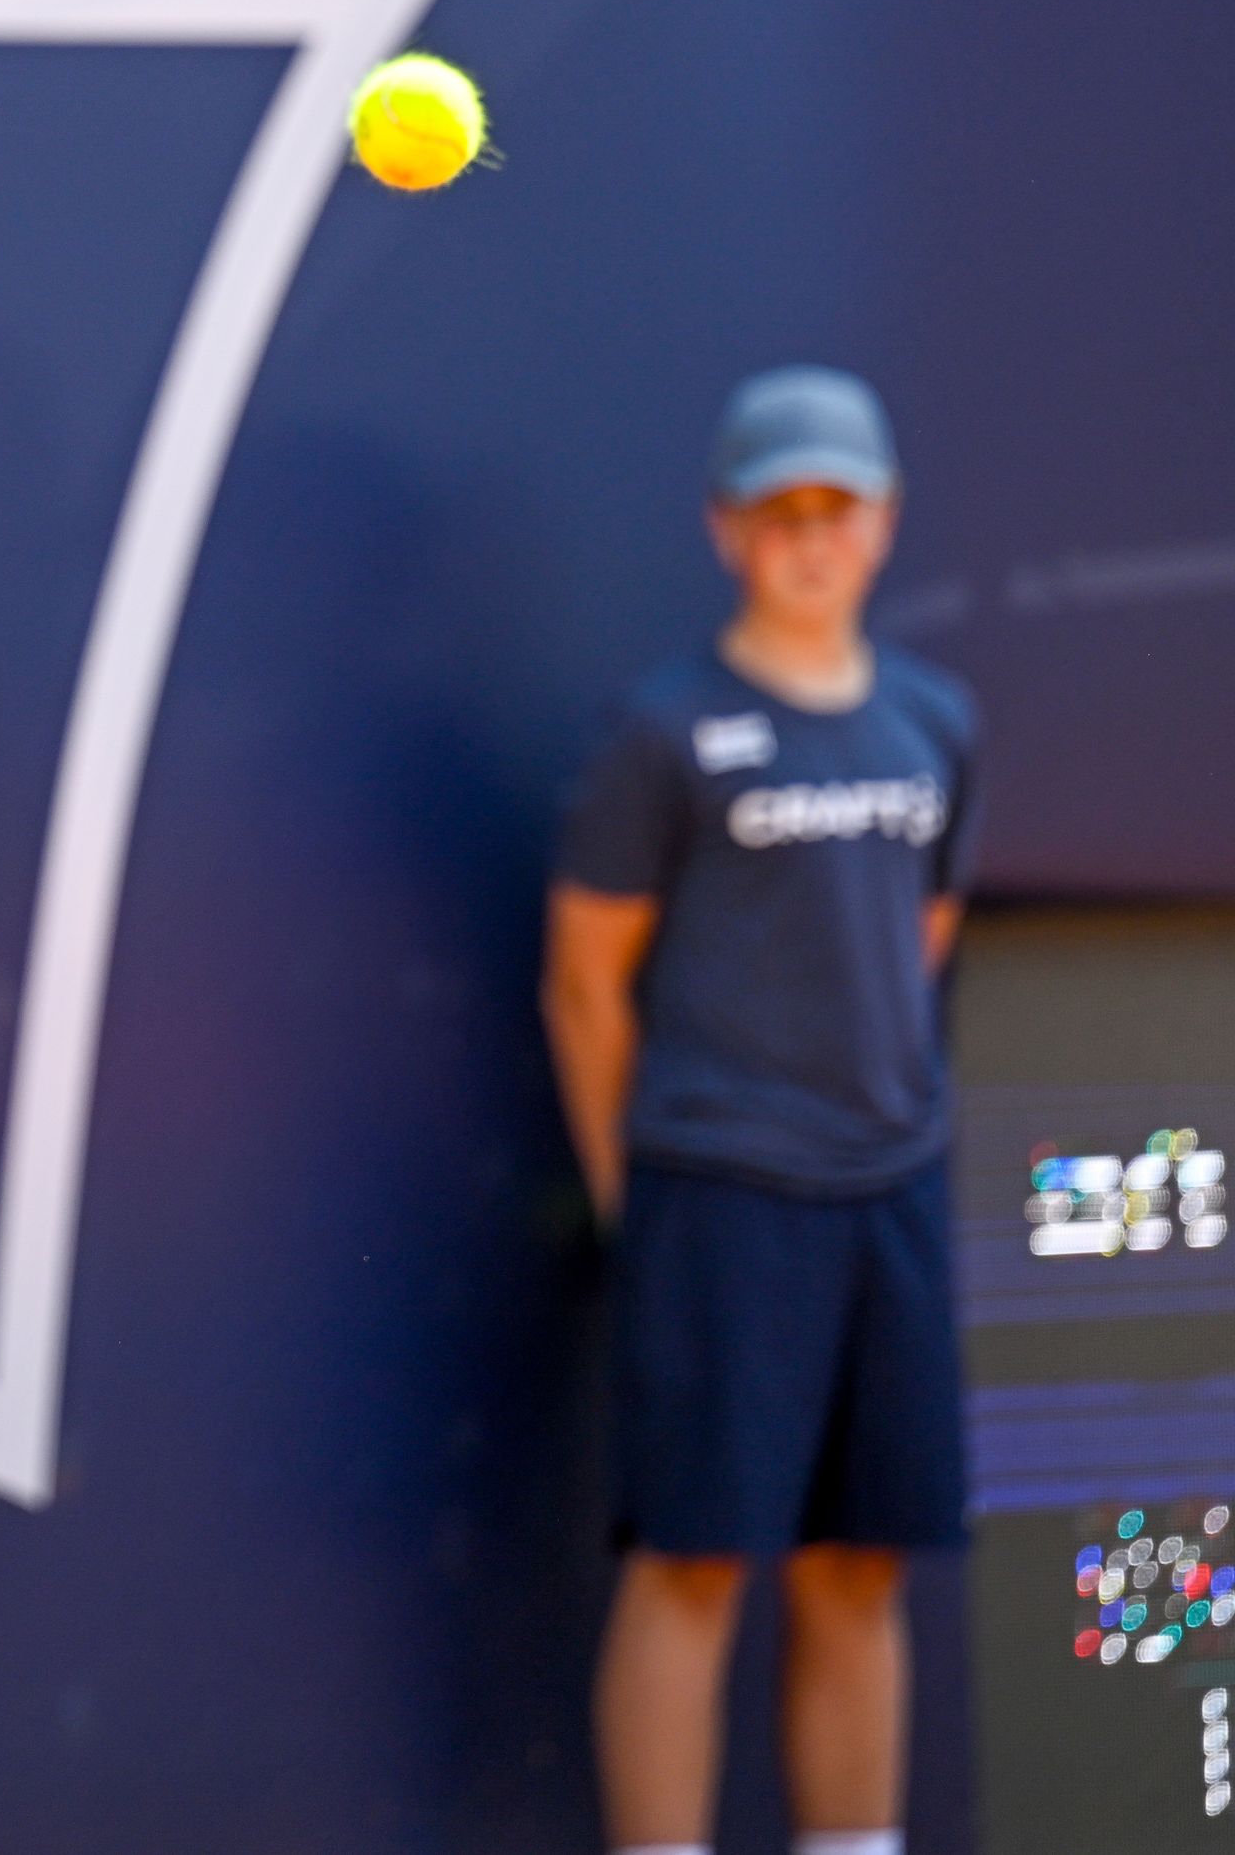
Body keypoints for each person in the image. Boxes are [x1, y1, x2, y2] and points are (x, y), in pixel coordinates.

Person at [545, 368, 979, 1855]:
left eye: (838, 507)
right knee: (696, 1559)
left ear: (885, 522)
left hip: (895, 1191)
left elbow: (921, 939)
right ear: (727, 526)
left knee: (861, 1567)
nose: (812, 535)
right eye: (781, 507)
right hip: (718, 1190)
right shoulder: (662, 733)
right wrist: (636, 1195)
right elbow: (587, 983)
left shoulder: (935, 722)